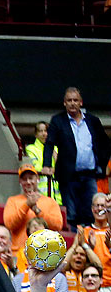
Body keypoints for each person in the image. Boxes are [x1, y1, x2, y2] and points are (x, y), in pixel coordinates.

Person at [45, 87, 110, 229]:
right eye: (69, 100)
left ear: (81, 102)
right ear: (64, 103)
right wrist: (46, 164)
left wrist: (103, 163)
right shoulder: (58, 121)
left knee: (91, 211)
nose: (72, 103)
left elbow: (105, 143)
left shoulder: (92, 121)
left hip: (89, 175)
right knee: (71, 213)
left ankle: (89, 242)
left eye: (75, 100)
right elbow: (49, 144)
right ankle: (74, 244)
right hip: (68, 176)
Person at [4, 160, 64, 255]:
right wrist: (27, 205)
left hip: (45, 253)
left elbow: (57, 225)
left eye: (31, 178)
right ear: (20, 181)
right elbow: (9, 224)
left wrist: (38, 211)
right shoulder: (12, 201)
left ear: (37, 179)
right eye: (24, 179)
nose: (28, 182)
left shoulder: (50, 201)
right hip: (20, 253)